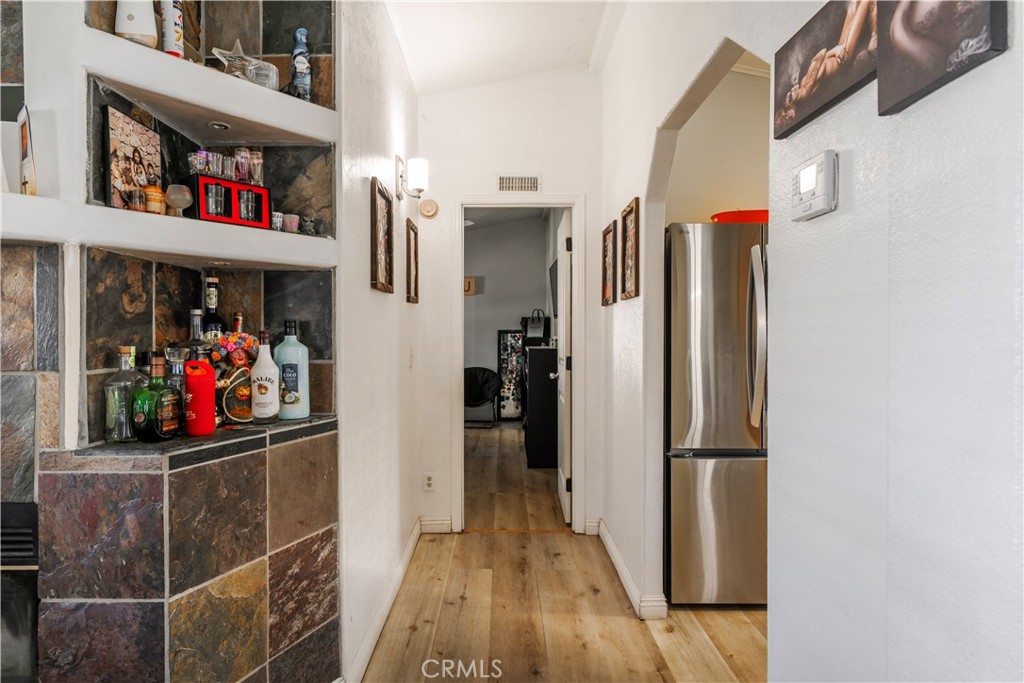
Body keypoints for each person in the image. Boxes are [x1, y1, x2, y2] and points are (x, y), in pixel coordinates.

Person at [775, 0, 877, 130]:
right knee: (864, 4)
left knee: (853, 7)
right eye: (789, 97)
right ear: (791, 106)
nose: (790, 91)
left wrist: (834, 50)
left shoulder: (803, 84)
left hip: (839, 52)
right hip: (843, 56)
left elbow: (820, 57)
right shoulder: (806, 88)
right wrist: (835, 51)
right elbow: (820, 56)